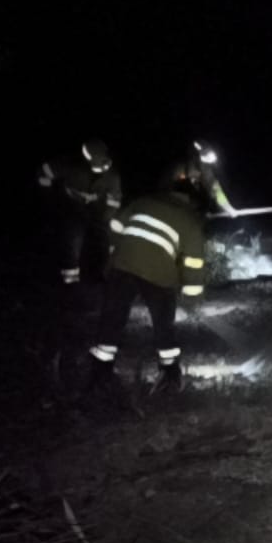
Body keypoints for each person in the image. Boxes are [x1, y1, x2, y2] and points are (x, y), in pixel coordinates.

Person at [86, 161, 210, 403]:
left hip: (122, 265)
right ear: (192, 201)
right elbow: (194, 264)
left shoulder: (143, 201)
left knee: (112, 317)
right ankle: (170, 375)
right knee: (164, 323)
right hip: (158, 273)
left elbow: (115, 227)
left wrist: (115, 254)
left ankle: (100, 372)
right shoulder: (190, 220)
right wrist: (192, 298)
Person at [37, 140, 123, 385]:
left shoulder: (112, 177)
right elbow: (45, 174)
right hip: (71, 211)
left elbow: (115, 200)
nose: (98, 171)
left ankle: (105, 277)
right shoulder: (67, 165)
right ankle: (70, 282)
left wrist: (106, 219)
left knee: (105, 243)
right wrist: (49, 198)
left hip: (97, 215)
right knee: (71, 243)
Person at [188, 140, 238, 218]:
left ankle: (225, 209)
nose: (210, 160)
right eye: (208, 158)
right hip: (200, 182)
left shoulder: (210, 165)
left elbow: (217, 187)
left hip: (209, 182)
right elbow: (192, 173)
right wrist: (195, 181)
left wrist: (229, 209)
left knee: (216, 191)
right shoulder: (196, 160)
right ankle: (202, 210)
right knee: (204, 193)